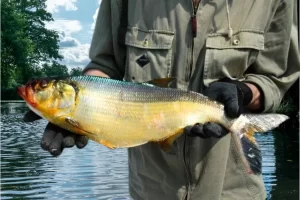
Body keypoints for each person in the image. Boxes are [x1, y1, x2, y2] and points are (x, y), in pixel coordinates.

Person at [25, 0, 300, 199]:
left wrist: (246, 93)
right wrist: (82, 111)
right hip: (150, 189)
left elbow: (276, 75)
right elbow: (105, 63)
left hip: (235, 191)